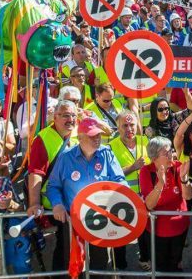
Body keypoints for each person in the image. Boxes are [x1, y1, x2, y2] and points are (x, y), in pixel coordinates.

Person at [45, 116, 126, 271]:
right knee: (74, 262)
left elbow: (119, 180)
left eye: (99, 135)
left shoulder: (106, 154)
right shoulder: (65, 157)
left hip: (101, 218)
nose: (97, 139)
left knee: (100, 262)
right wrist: (57, 205)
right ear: (80, 138)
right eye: (92, 136)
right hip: (73, 219)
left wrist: (122, 197)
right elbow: (53, 186)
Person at [25, 100, 78, 270]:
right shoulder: (43, 138)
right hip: (55, 204)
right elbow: (36, 173)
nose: (70, 119)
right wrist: (34, 203)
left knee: (75, 246)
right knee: (63, 249)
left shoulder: (79, 134)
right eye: (65, 115)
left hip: (76, 202)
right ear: (55, 117)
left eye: (73, 115)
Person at [139, 136, 192, 277]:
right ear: (154, 157)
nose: (171, 155)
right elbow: (149, 205)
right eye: (166, 153)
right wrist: (160, 184)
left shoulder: (178, 167)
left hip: (180, 227)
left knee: (176, 263)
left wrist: (184, 179)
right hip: (157, 231)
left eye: (171, 151)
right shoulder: (146, 171)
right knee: (161, 267)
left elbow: (187, 196)